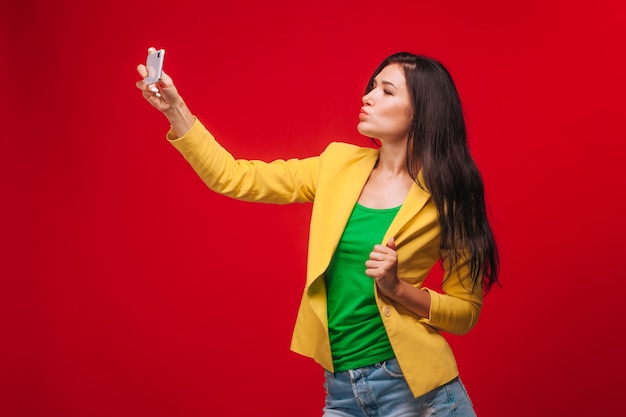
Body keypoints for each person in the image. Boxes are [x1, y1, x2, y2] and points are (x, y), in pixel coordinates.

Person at [136, 47, 500, 417]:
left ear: (422, 112)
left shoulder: (448, 198)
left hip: (415, 390)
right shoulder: (337, 165)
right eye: (371, 87)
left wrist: (398, 289)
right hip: (342, 391)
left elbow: (465, 311)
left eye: (386, 91)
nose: (368, 97)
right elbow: (235, 177)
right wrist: (176, 111)